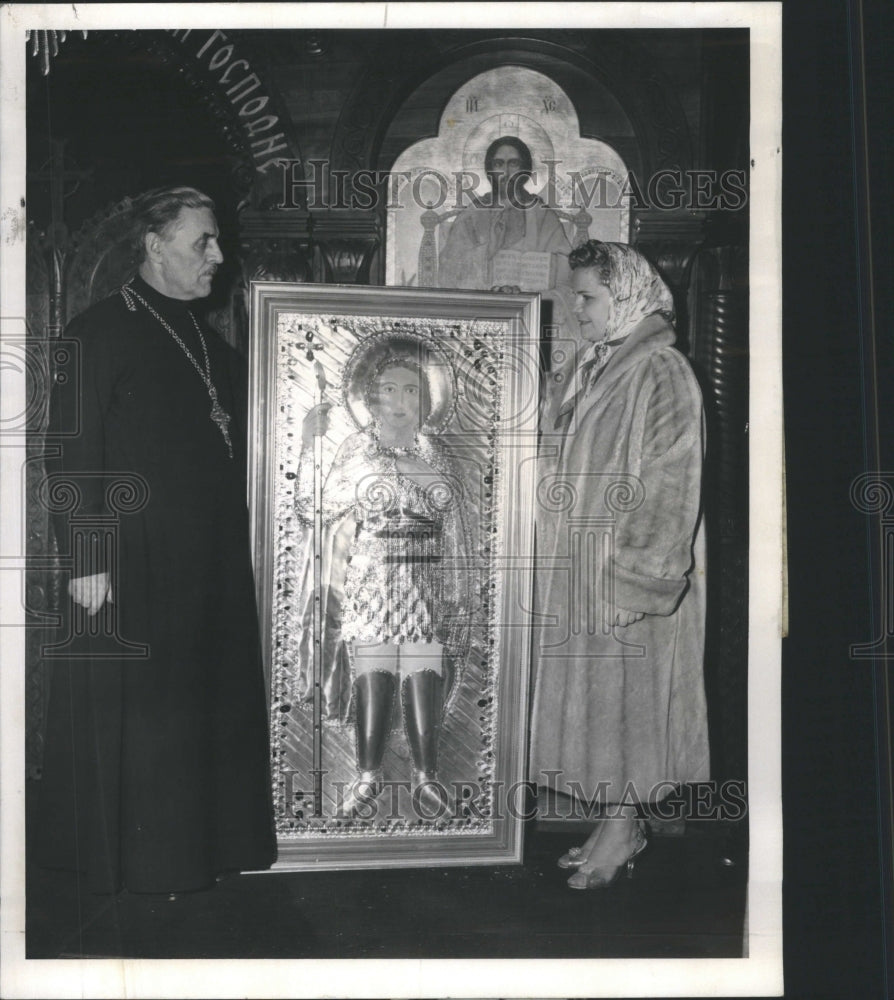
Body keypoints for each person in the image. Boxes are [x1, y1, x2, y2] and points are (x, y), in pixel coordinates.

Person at [36, 186, 276, 895]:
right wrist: (87, 559)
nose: (218, 256)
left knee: (199, 711)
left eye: (217, 241)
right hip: (133, 564)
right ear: (155, 245)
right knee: (147, 717)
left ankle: (202, 853)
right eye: (202, 242)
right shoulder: (96, 330)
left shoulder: (211, 339)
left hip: (209, 564)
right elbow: (68, 449)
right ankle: (146, 867)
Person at [530, 240, 710, 889]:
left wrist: (636, 580)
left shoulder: (661, 370)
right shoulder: (592, 367)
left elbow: (671, 481)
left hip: (630, 572)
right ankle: (617, 821)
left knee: (636, 703)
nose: (575, 309)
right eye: (574, 295)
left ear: (627, 295)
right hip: (585, 565)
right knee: (607, 707)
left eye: (587, 297)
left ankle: (625, 825)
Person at [293, 335, 471, 818]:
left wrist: (458, 596)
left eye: (412, 391)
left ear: (426, 401)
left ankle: (426, 778)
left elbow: (453, 523)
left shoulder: (436, 454)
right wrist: (309, 444)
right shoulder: (355, 450)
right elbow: (313, 507)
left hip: (426, 585)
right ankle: (368, 777)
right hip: (371, 584)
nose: (401, 402)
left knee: (422, 679)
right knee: (372, 679)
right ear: (370, 401)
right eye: (389, 391)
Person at [437, 135, 572, 292]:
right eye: (498, 164)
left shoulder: (542, 216)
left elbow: (566, 271)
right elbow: (448, 269)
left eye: (513, 164)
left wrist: (527, 288)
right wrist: (488, 250)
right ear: (490, 169)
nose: (506, 172)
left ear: (524, 169)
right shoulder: (472, 215)